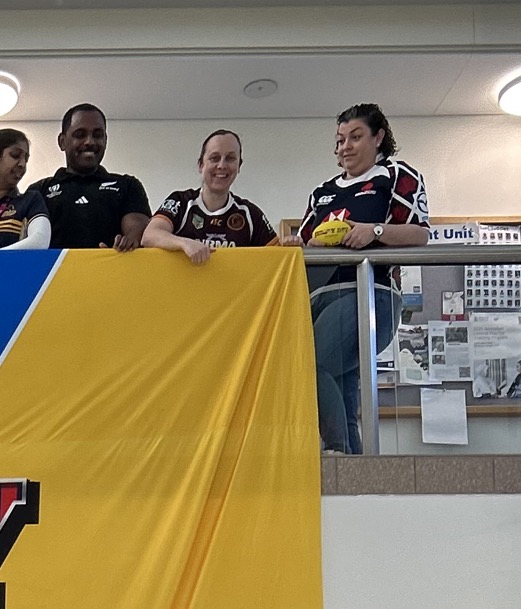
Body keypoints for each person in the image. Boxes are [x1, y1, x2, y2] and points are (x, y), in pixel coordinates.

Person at [296, 101, 430, 452]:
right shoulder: (321, 191)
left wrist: (375, 230)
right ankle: (354, 468)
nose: (346, 147)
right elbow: (308, 239)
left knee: (313, 364)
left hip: (370, 291)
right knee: (340, 383)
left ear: (379, 137)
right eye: (340, 140)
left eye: (356, 137)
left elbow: (419, 234)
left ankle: (336, 450)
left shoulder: (397, 175)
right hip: (321, 295)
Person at [21, 104, 150, 250]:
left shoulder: (128, 185)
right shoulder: (38, 190)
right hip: (55, 272)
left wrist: (126, 243)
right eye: (80, 134)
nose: (89, 142)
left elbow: (138, 234)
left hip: (111, 271)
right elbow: (28, 244)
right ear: (62, 142)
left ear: (105, 140)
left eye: (97, 135)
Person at [142, 129, 274, 260]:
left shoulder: (250, 213)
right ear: (201, 165)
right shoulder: (180, 202)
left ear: (239, 166)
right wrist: (184, 244)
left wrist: (288, 245)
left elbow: (277, 254)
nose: (222, 165)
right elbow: (149, 236)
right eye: (214, 158)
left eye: (230, 158)